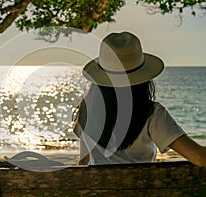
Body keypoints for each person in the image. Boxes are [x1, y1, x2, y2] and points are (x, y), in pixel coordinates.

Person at [73, 31, 206, 167]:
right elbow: (200, 157)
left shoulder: (86, 109)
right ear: (143, 78)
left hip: (96, 187)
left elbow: (84, 161)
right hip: (143, 187)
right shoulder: (151, 114)